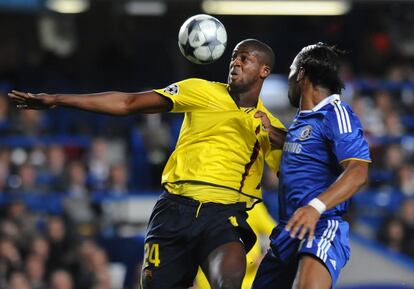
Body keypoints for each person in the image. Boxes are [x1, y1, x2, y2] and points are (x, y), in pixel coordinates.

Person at [9, 39, 287, 289]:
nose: (235, 62)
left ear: (264, 70)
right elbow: (129, 102)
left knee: (228, 281)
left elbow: (298, 171)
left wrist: (274, 135)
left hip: (223, 216)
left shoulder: (270, 127)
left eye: (245, 58)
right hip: (174, 210)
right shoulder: (200, 91)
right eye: (234, 57)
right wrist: (57, 100)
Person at [251, 43, 371, 289]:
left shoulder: (336, 112)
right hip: (288, 230)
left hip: (321, 224)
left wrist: (315, 208)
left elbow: (358, 171)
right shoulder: (302, 120)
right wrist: (275, 135)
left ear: (302, 74)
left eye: (291, 71)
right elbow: (312, 152)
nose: (290, 79)